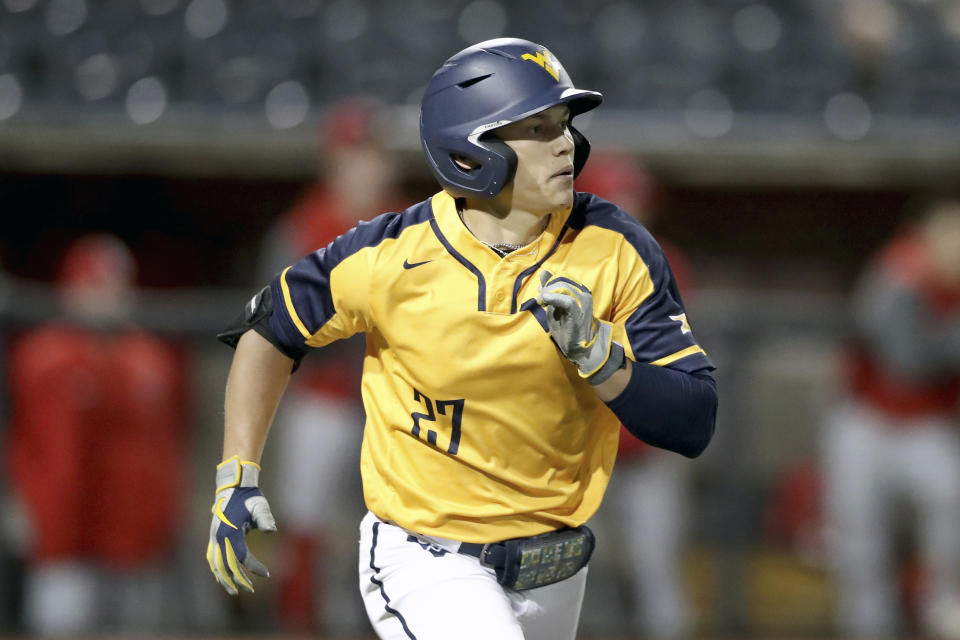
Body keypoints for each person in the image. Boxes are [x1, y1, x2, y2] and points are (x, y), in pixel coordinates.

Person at [206, 38, 717, 640]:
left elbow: (693, 421)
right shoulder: (389, 250)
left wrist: (603, 360)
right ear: (470, 152)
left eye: (563, 124)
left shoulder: (616, 246)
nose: (564, 143)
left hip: (550, 566)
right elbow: (268, 332)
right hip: (427, 553)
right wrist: (236, 472)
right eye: (535, 128)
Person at [255, 96, 403, 633]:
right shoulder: (301, 227)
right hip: (321, 395)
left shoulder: (410, 225)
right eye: (353, 154)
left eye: (372, 154)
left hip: (393, 403)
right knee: (306, 521)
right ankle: (299, 625)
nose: (365, 165)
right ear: (332, 161)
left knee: (396, 527)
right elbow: (275, 324)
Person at [6, 234, 188, 636]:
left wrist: (164, 523)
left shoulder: (151, 359)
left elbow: (166, 450)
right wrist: (28, 510)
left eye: (114, 287)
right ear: (69, 290)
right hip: (63, 540)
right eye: (94, 286)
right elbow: (32, 445)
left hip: (134, 541)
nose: (107, 298)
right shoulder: (40, 356)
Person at [822, 197, 960, 639]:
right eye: (946, 235)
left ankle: (943, 600)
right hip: (864, 418)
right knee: (859, 531)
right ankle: (868, 624)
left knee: (950, 500)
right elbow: (906, 357)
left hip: (927, 424)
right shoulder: (898, 269)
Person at [577, 151, 696, 639]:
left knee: (657, 574)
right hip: (581, 455)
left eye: (633, 199)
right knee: (580, 581)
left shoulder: (666, 265)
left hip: (645, 453)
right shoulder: (557, 264)